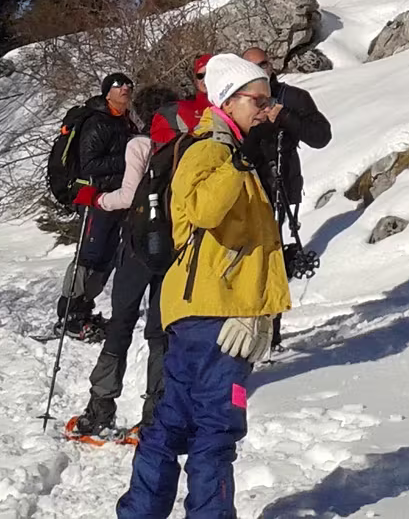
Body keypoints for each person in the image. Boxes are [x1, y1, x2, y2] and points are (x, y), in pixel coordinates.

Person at [117, 54, 290, 519]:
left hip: (205, 310)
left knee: (172, 423)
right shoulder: (211, 150)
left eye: (269, 99)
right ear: (228, 101)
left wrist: (262, 311)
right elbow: (204, 212)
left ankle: (140, 512)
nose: (266, 108)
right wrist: (239, 162)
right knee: (215, 429)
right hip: (216, 314)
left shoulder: (227, 149)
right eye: (258, 100)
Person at [69, 84, 176, 439]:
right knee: (160, 331)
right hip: (174, 246)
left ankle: (100, 408)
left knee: (121, 324)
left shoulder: (140, 145)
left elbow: (129, 197)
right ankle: (156, 415)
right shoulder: (187, 145)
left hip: (137, 244)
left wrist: (97, 199)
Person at [238, 45, 331, 349]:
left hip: (280, 188)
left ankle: (271, 331)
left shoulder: (292, 97)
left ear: (272, 65)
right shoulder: (240, 101)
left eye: (264, 64)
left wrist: (284, 117)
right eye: (253, 66)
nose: (260, 70)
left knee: (273, 257)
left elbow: (321, 136)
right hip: (246, 188)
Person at [58, 71, 137, 334]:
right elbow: (90, 164)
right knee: (88, 256)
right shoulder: (98, 122)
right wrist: (129, 158)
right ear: (107, 92)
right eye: (118, 84)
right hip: (94, 198)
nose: (125, 87)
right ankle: (69, 314)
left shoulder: (125, 122)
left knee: (106, 256)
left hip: (115, 199)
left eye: (128, 84)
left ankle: (84, 310)